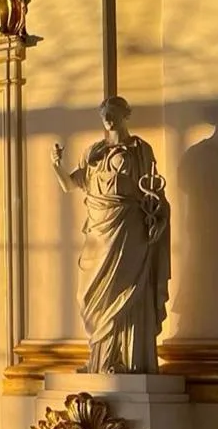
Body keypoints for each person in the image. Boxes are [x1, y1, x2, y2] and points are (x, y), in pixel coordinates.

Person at [52, 96, 169, 373]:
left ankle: (126, 360)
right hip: (99, 230)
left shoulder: (141, 150)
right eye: (104, 114)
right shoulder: (94, 152)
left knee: (128, 290)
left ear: (125, 115)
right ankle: (100, 357)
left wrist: (158, 216)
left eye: (113, 114)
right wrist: (56, 165)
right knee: (91, 295)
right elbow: (70, 185)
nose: (108, 119)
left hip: (129, 228)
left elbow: (153, 193)